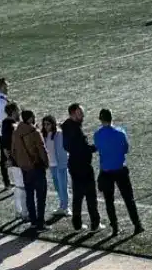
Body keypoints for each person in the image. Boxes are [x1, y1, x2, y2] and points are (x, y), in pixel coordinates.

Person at [93, 107, 142, 238]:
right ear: (111, 118)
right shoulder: (120, 132)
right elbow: (126, 149)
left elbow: (98, 148)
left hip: (106, 171)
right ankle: (137, 225)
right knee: (128, 198)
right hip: (120, 169)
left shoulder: (97, 135)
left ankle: (115, 228)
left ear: (101, 119)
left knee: (109, 201)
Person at [62, 101, 99, 232]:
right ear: (73, 114)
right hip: (83, 165)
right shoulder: (76, 130)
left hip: (73, 164)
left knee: (77, 196)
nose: (82, 115)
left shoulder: (66, 126)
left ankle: (77, 225)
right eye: (80, 113)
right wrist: (95, 147)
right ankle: (95, 223)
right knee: (90, 196)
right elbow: (83, 149)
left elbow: (66, 146)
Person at [10, 108, 49, 231]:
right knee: (41, 197)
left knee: (30, 195)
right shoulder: (34, 132)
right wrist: (46, 163)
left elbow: (14, 151)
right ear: (31, 118)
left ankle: (33, 221)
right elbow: (42, 150)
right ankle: (40, 223)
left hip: (25, 169)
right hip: (37, 167)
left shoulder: (16, 133)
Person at [41, 112, 67, 217]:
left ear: (53, 124)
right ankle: (62, 205)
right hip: (52, 166)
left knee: (63, 186)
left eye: (48, 124)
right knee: (57, 186)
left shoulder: (59, 134)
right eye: (45, 124)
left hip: (60, 165)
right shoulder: (44, 135)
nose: (46, 126)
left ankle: (65, 207)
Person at [0, 99, 22, 214]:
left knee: (19, 185)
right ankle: (22, 211)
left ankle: (20, 211)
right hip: (16, 158)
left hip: (13, 158)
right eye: (18, 110)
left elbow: (4, 144)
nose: (19, 112)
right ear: (13, 111)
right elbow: (9, 142)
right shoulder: (11, 124)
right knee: (21, 185)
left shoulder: (5, 123)